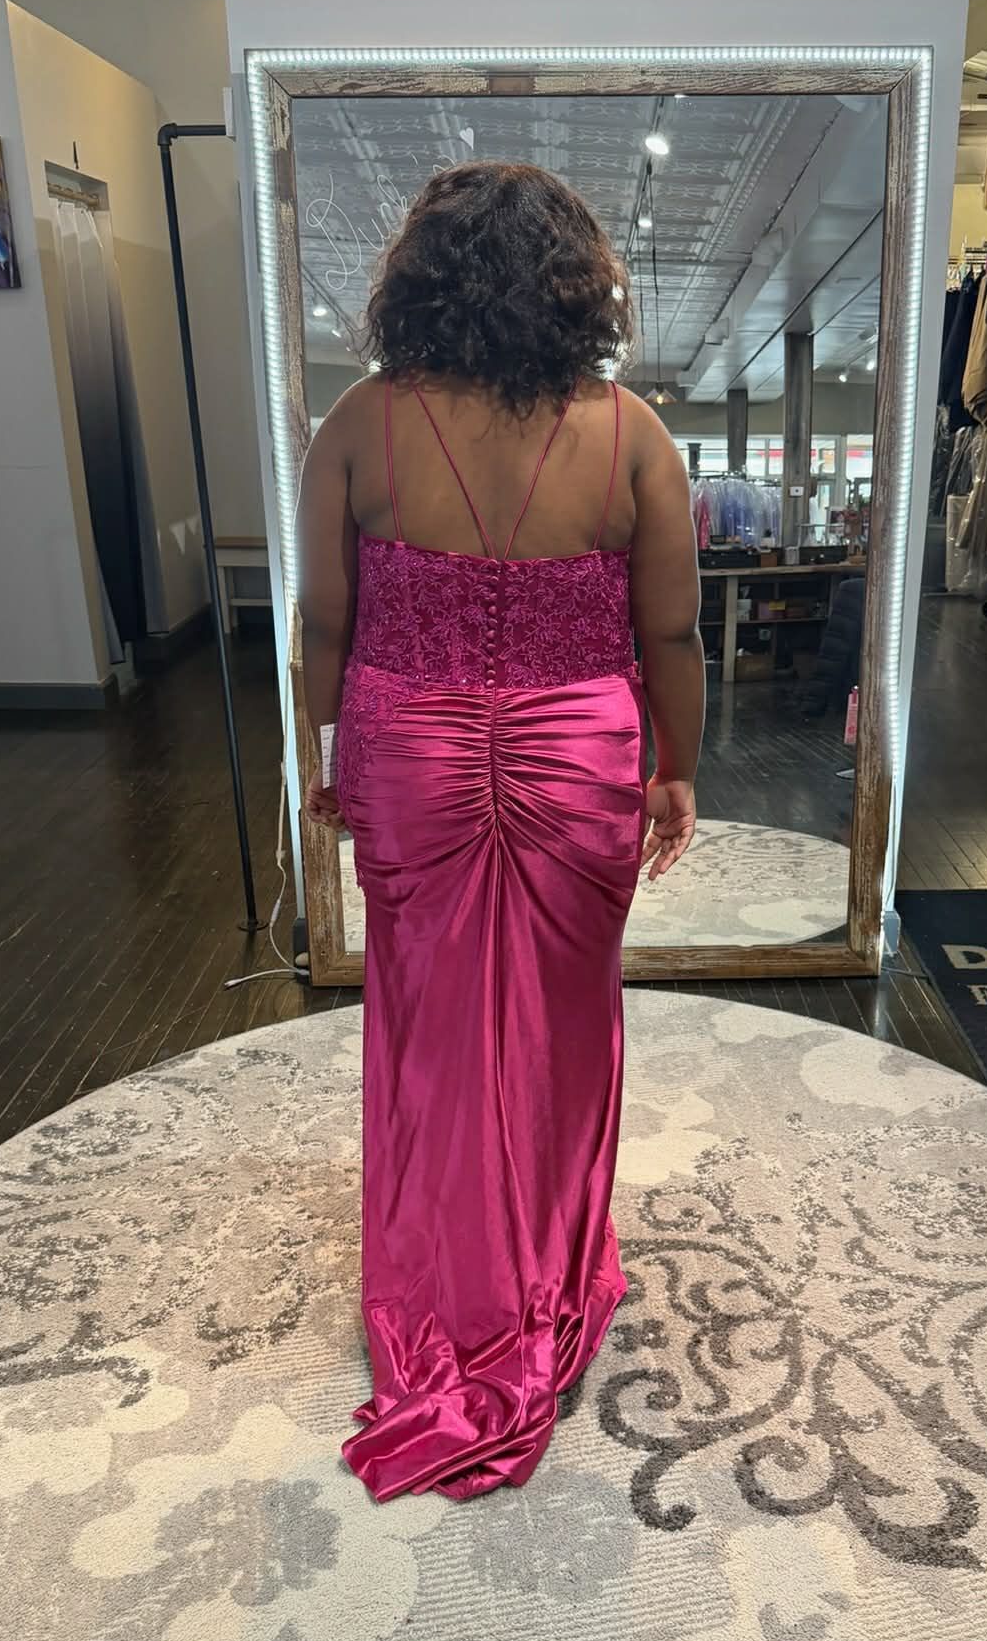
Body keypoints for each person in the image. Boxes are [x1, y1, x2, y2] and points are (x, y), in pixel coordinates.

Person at [296, 161, 705, 1502]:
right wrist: (678, 770)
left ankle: (444, 1286)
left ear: (419, 278)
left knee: (427, 1025)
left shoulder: (358, 425)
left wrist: (320, 753)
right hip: (581, 753)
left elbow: (322, 622)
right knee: (565, 1023)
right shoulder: (633, 433)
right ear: (576, 288)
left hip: (409, 748)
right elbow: (673, 635)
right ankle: (547, 1273)